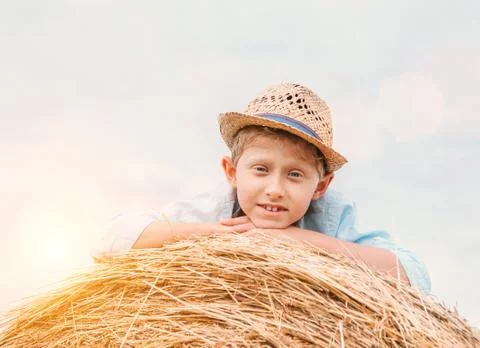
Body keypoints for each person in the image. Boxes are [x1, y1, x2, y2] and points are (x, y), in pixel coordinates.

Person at [93, 83, 431, 294]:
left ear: (321, 186)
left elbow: (413, 275)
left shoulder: (332, 216)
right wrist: (215, 234)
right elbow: (110, 239)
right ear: (232, 172)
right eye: (261, 170)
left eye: (295, 175)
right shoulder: (213, 210)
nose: (275, 188)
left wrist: (296, 241)